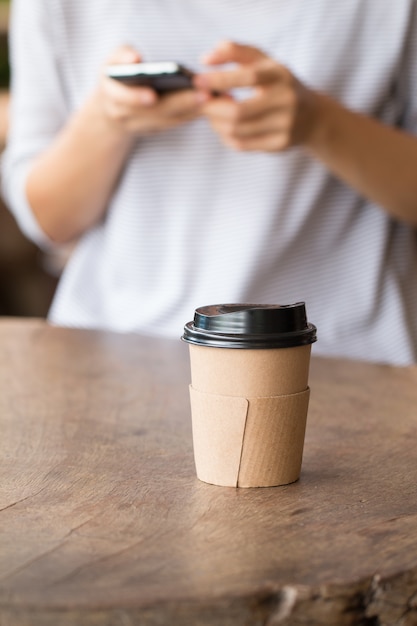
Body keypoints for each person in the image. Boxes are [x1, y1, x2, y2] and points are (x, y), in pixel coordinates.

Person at [2, 0, 417, 365]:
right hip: (108, 353)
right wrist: (104, 122)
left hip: (346, 356)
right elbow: (47, 220)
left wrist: (321, 125)